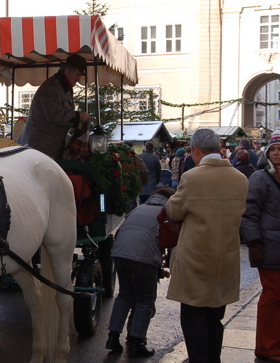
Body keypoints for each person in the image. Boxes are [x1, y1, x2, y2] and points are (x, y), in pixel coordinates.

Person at [164, 128, 248, 363]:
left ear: (196, 150)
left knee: (193, 319)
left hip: (195, 259)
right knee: (215, 317)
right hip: (226, 259)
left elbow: (174, 211)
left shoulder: (193, 177)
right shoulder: (240, 179)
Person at [106, 187, 174, 358]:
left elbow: (121, 232)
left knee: (124, 295)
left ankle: (113, 337)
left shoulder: (138, 208)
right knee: (146, 299)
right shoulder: (167, 212)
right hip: (144, 258)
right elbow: (170, 238)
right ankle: (137, 341)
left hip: (120, 253)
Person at [240, 130, 280, 362]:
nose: (276, 154)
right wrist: (254, 242)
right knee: (272, 297)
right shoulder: (260, 178)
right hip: (269, 246)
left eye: (279, 150)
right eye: (272, 150)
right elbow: (249, 214)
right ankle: (266, 347)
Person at [17, 54, 90, 159]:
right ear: (66, 71)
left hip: (49, 146)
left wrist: (77, 121)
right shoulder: (52, 87)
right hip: (37, 145)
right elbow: (54, 114)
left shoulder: (65, 87)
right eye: (77, 74)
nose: (78, 79)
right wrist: (77, 117)